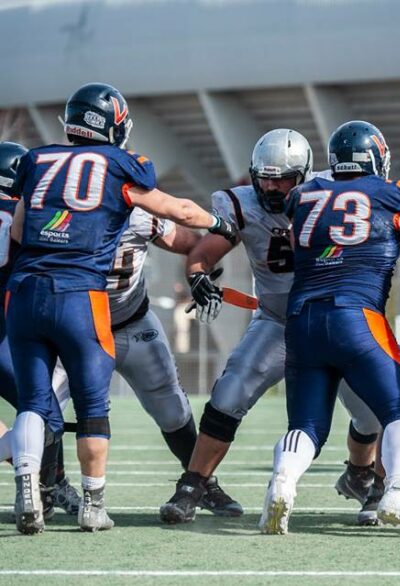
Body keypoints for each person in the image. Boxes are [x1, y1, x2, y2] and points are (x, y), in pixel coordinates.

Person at [7, 82, 237, 535]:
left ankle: (200, 483)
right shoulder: (121, 178)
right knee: (68, 408)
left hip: (121, 319)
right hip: (82, 310)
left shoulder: (46, 173)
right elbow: (184, 217)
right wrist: (222, 228)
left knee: (168, 406)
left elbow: (186, 240)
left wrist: (201, 267)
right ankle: (58, 490)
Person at [259, 120, 400, 538]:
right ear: (377, 158)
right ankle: (399, 490)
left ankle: (283, 481)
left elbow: (297, 238)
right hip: (356, 316)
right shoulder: (389, 192)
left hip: (302, 319)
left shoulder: (303, 195)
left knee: (306, 426)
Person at [159, 128, 310, 524]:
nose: (272, 187)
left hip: (330, 321)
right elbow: (204, 253)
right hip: (277, 320)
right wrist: (197, 275)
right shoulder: (243, 204)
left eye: (283, 179)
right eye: (266, 178)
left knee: (368, 406)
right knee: (228, 393)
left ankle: (368, 477)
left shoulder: (326, 197)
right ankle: (192, 485)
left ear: (303, 176)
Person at [51, 203, 241, 516]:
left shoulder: (138, 215)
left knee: (172, 408)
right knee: (46, 408)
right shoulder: (59, 214)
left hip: (131, 323)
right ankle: (49, 483)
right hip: (76, 329)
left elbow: (192, 243)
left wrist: (201, 274)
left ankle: (200, 484)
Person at [0, 141, 81, 519]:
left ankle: (46, 480)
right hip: (7, 331)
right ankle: (49, 483)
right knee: (42, 411)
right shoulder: (25, 212)